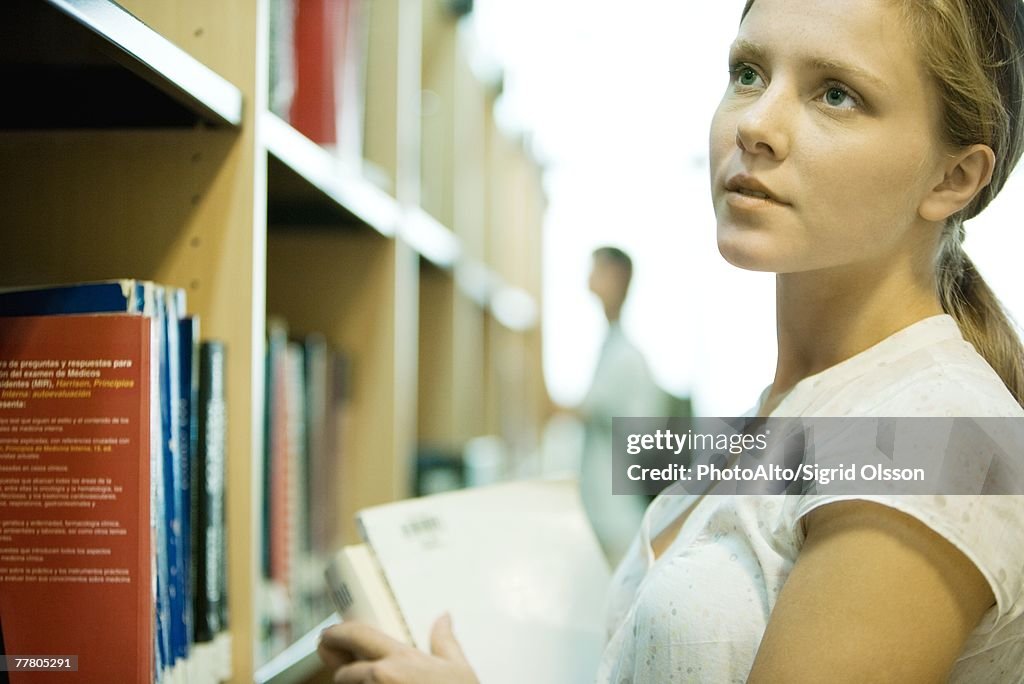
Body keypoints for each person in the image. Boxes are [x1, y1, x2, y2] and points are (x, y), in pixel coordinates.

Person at [318, 0, 1024, 681]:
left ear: (953, 176)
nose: (756, 124)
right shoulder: (791, 407)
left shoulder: (934, 428)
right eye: (748, 73)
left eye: (835, 94)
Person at [577, 246, 664, 566]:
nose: (587, 278)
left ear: (616, 278)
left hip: (614, 517)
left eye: (595, 269)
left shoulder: (626, 358)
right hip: (600, 511)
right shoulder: (610, 347)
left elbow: (643, 434)